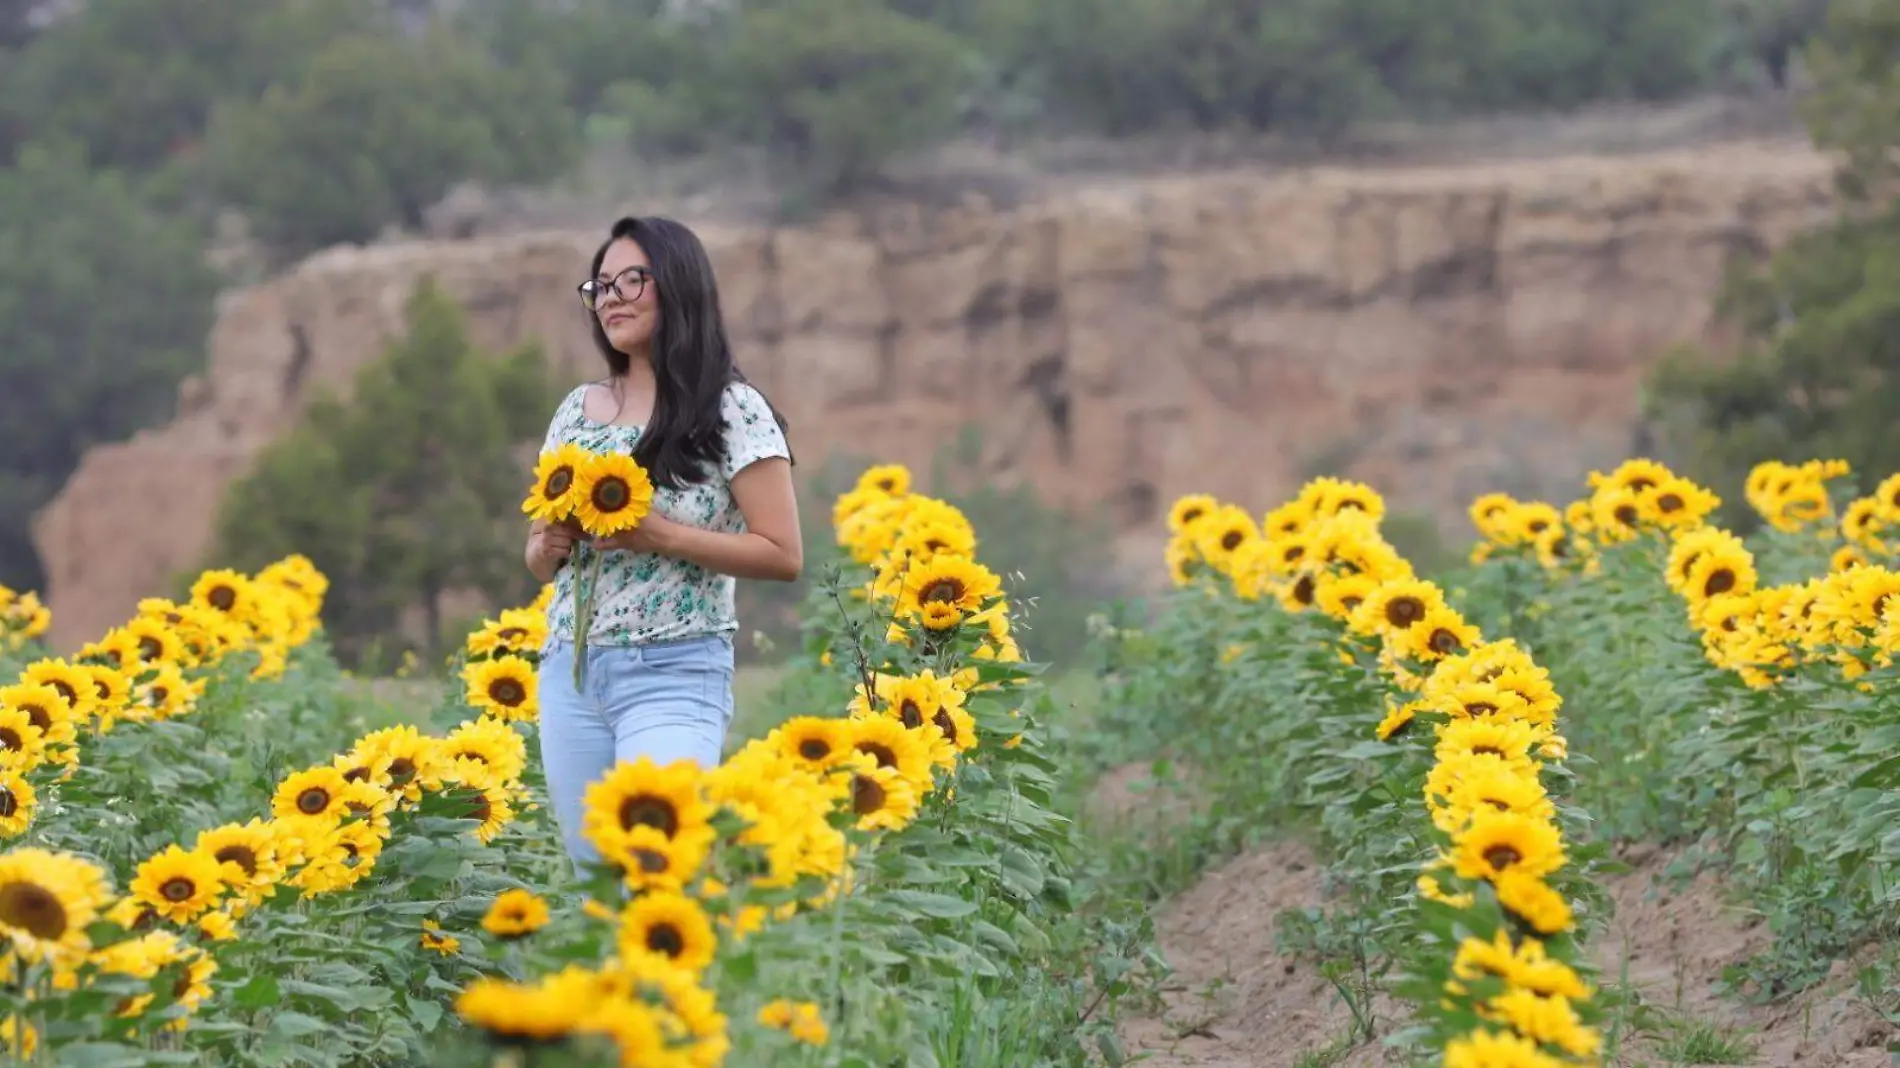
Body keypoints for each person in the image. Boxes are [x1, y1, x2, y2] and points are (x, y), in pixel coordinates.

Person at [523, 216, 802, 870]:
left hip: (673, 673)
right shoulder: (576, 410)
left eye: (632, 279)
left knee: (657, 872)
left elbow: (783, 554)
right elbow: (537, 560)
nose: (612, 297)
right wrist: (548, 545)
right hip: (570, 673)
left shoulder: (732, 409)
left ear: (678, 287)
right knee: (595, 887)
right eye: (600, 285)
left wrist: (660, 536)